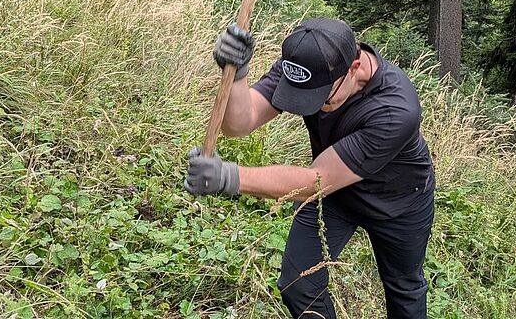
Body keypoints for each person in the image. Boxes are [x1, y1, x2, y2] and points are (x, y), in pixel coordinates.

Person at [184, 18, 435, 319]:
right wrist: (236, 76)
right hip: (337, 197)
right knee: (297, 282)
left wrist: (228, 176)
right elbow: (240, 123)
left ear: (354, 68)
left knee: (403, 288)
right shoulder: (307, 66)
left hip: (398, 202)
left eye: (321, 97)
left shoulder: (395, 109)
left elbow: (316, 179)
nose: (312, 105)